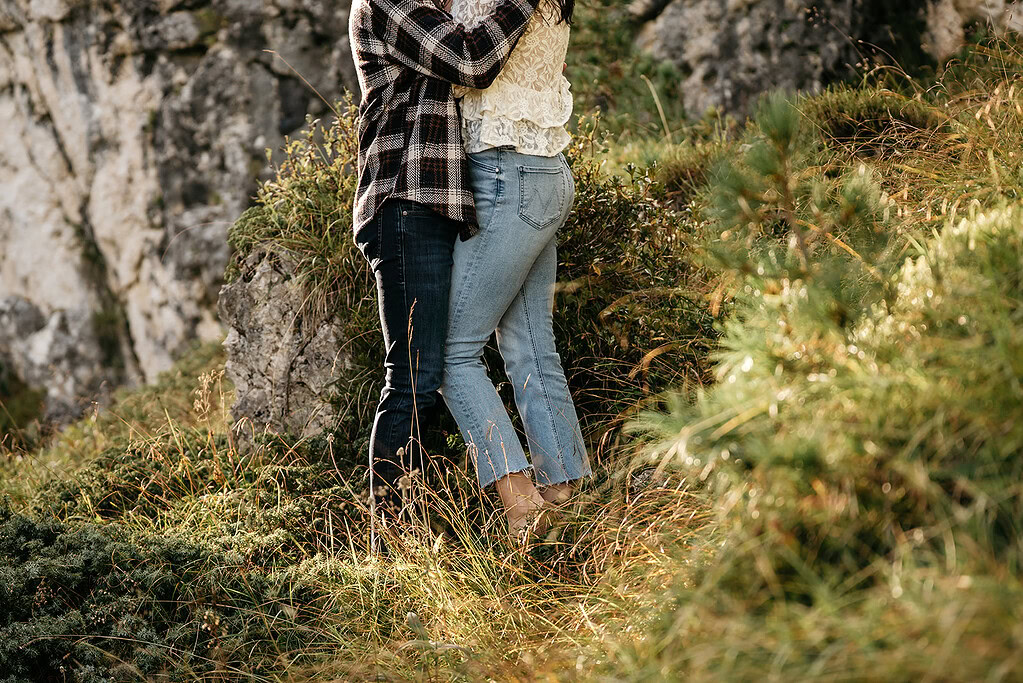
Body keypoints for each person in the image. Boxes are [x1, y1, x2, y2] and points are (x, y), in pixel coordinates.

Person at [348, 0, 545, 539]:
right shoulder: (391, 2)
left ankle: (413, 528)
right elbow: (470, 61)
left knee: (426, 375)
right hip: (405, 204)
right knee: (413, 381)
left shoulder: (438, 6)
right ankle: (390, 540)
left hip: (432, 209)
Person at [442, 0, 590, 538]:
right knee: (530, 342)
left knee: (448, 352)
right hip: (546, 173)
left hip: (505, 173)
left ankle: (522, 505)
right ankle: (565, 495)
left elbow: (467, 62)